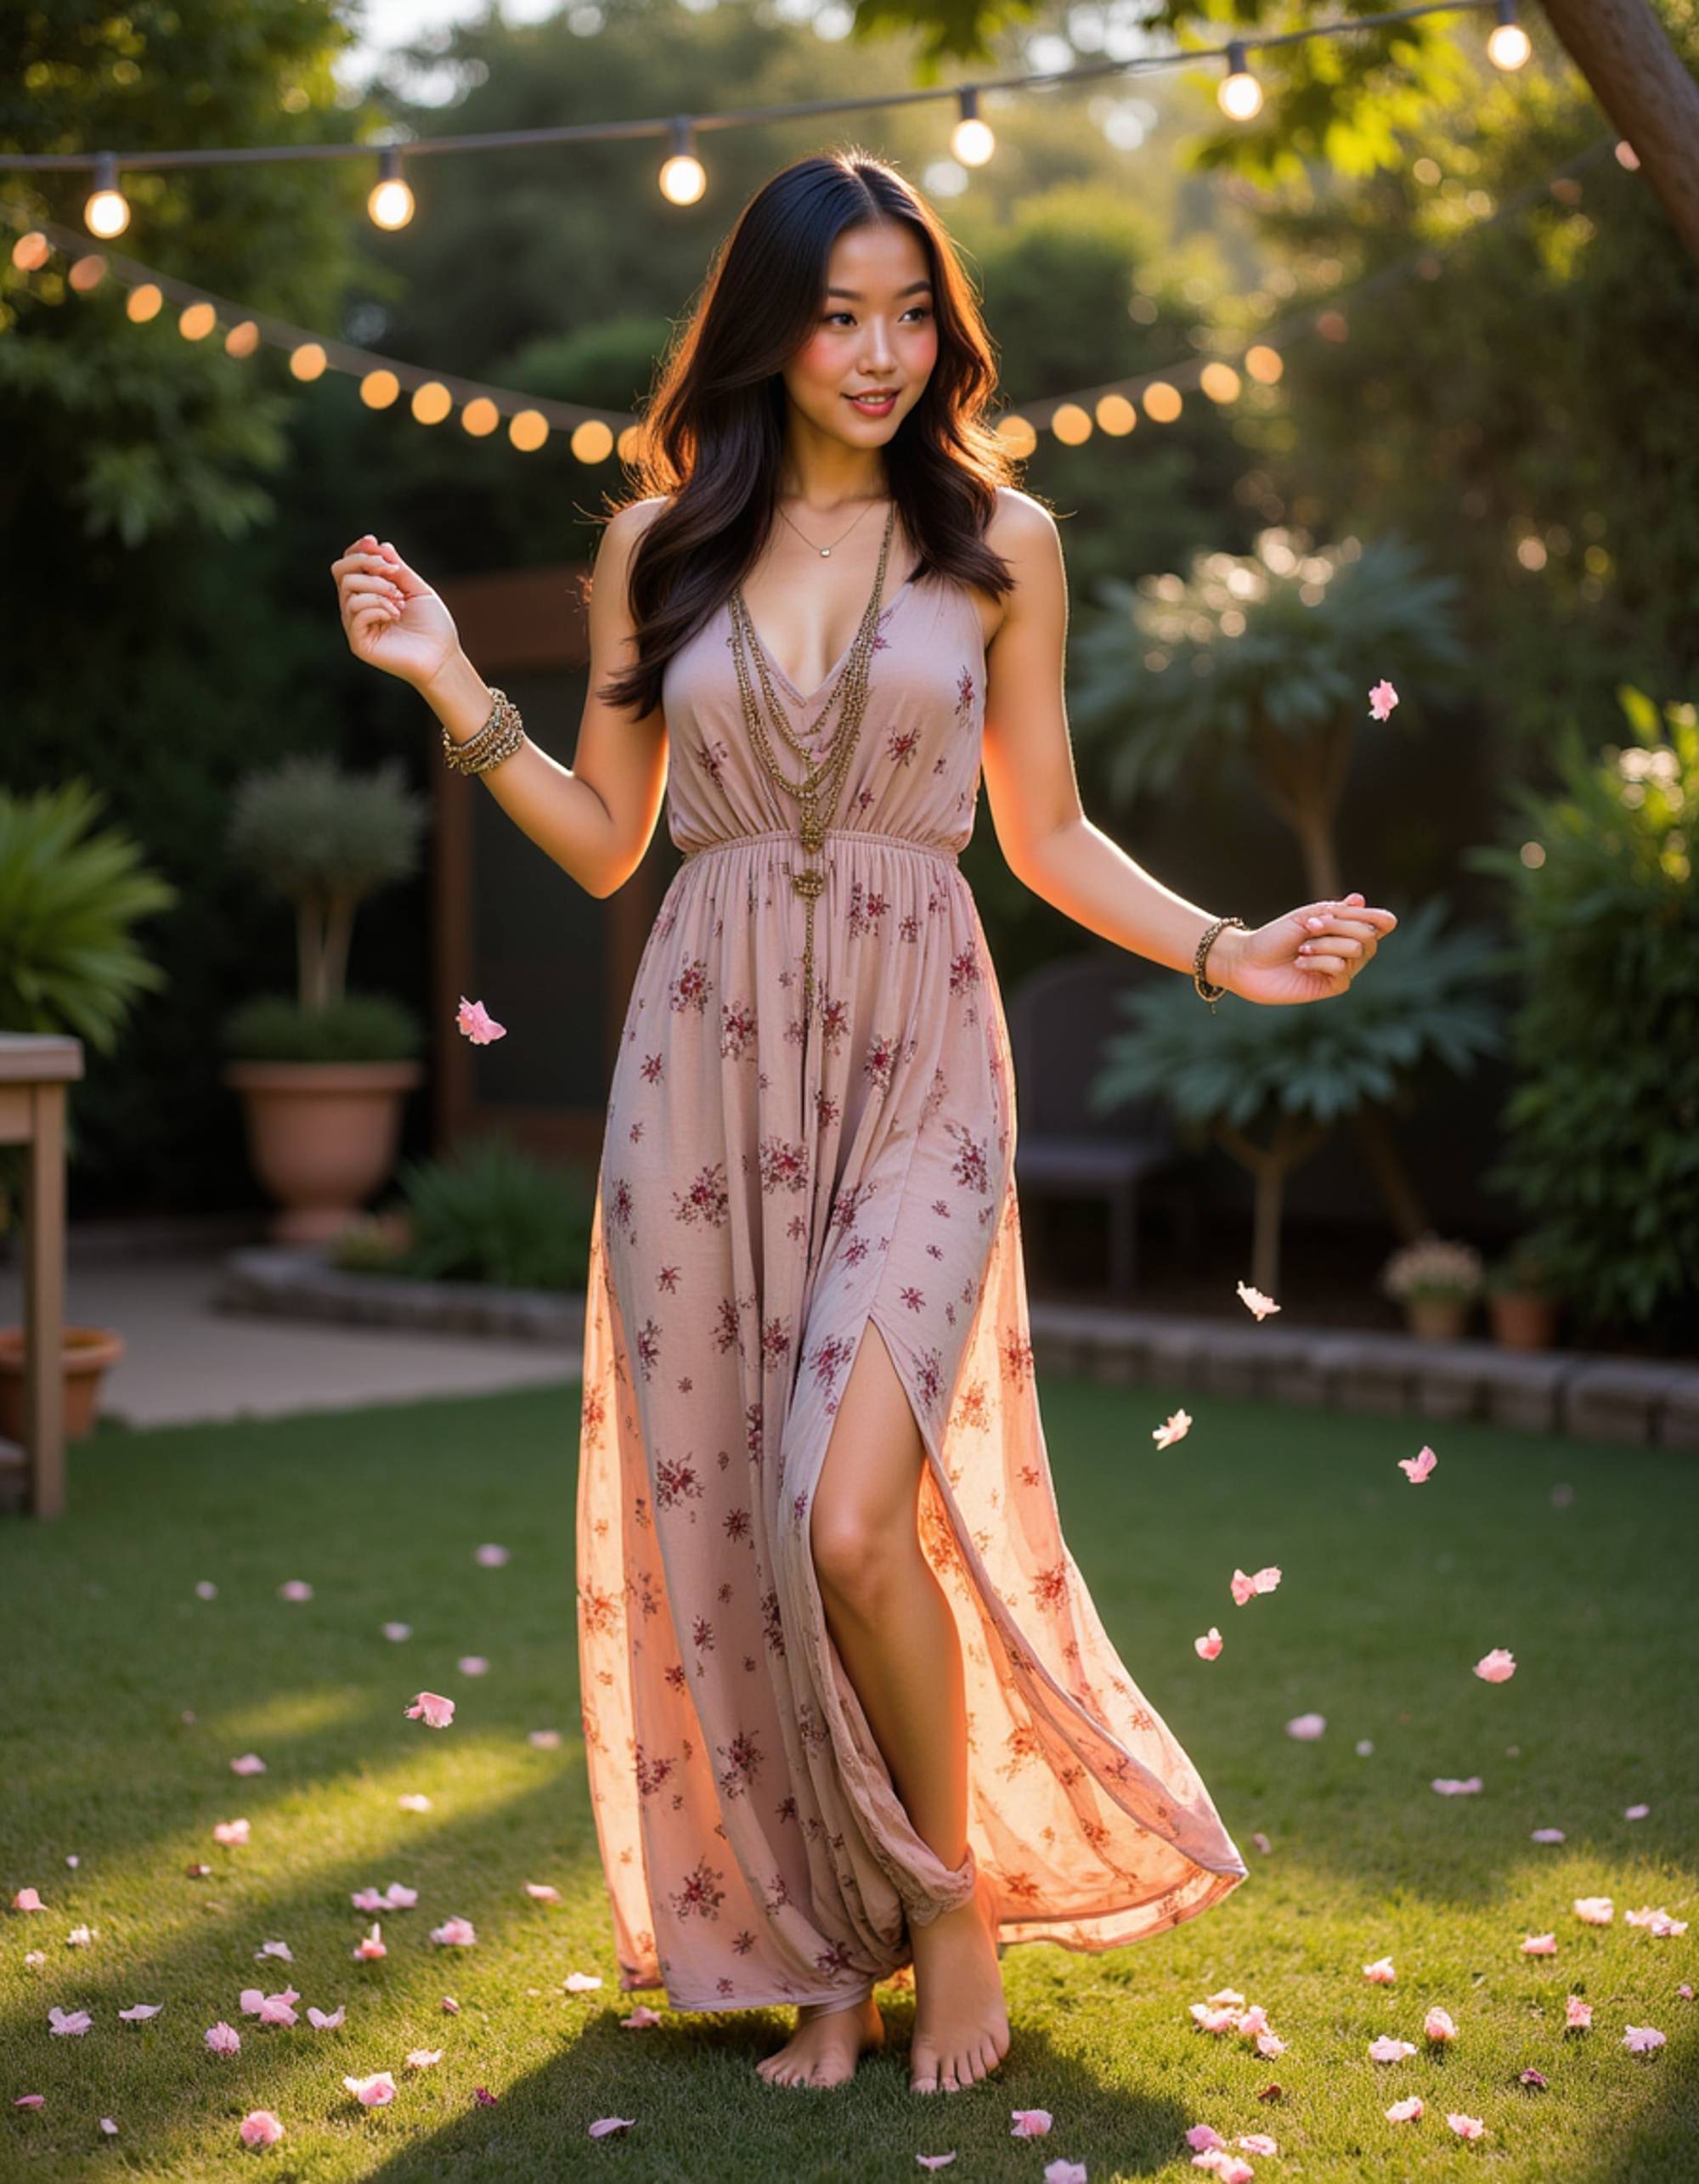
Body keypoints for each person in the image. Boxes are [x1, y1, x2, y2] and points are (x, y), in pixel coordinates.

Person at [331, 149, 1397, 2097]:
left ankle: (944, 1903)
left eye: (913, 310)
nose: (884, 349)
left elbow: (1048, 829)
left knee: (846, 1501)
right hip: (705, 1067)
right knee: (741, 1517)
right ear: (767, 324)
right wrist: (455, 684)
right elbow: (603, 843)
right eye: (842, 312)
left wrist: (1228, 943)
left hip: (918, 1060)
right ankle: (817, 1950)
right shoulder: (660, 548)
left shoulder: (1004, 538)